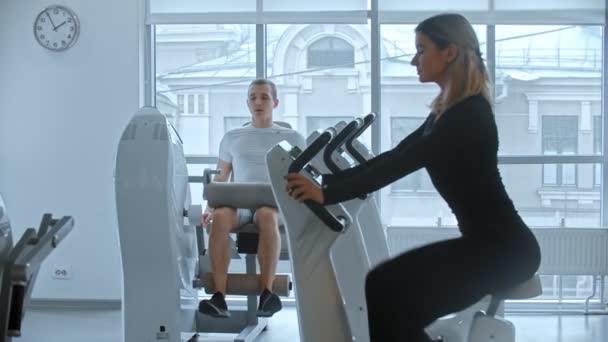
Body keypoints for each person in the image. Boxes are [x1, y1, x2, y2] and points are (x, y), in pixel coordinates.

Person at [285, 13, 541, 341]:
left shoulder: (468, 115)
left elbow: (403, 163)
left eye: (421, 49)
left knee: (387, 291)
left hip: (505, 252)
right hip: (489, 246)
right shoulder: (446, 112)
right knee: (386, 289)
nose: (413, 60)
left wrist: (327, 192)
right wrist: (325, 184)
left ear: (449, 52)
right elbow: (394, 156)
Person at [199, 79, 305, 318]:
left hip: (273, 206)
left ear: (275, 102)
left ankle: (267, 294)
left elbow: (303, 175)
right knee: (221, 217)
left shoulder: (292, 137)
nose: (258, 102)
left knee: (267, 215)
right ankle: (218, 297)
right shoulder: (232, 137)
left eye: (264, 97)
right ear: (247, 103)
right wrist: (209, 207)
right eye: (253, 97)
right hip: (239, 205)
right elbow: (221, 177)